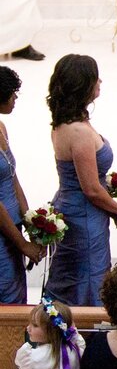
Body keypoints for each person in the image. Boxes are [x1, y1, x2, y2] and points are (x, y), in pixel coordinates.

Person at [46, 54, 117, 306]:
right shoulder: (79, 133)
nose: (100, 81)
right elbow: (91, 189)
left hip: (73, 208)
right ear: (83, 84)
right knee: (89, 279)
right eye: (96, 77)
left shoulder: (66, 123)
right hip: (83, 218)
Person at [0, 66, 43, 302]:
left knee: (17, 295)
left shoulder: (2, 128)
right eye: (12, 93)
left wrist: (32, 224)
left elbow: (13, 177)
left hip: (13, 227)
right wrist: (23, 245)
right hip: (3, 232)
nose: (15, 98)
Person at [15, 298, 85, 369]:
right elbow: (73, 330)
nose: (28, 328)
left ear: (52, 330)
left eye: (35, 325)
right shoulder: (77, 348)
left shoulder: (30, 356)